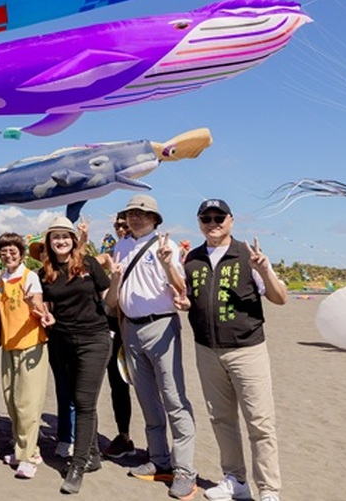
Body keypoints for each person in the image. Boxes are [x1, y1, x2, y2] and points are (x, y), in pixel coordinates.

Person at [174, 200, 286, 501]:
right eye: (206, 218)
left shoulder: (248, 255)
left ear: (231, 221)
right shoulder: (192, 259)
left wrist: (265, 270)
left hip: (247, 350)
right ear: (199, 222)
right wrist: (185, 305)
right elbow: (188, 299)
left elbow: (280, 297)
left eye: (218, 217)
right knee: (222, 419)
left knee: (260, 423)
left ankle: (269, 491)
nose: (213, 223)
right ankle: (235, 480)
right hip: (207, 350)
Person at [111, 195, 197, 500]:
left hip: (161, 325)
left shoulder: (165, 246)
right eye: (132, 213)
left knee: (174, 398)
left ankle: (185, 470)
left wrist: (166, 264)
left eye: (142, 213)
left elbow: (181, 287)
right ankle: (159, 460)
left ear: (155, 219)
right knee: (147, 398)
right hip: (130, 329)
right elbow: (116, 289)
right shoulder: (121, 246)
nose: (136, 218)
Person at [38, 216, 115, 494]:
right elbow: (45, 306)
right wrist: (45, 314)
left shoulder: (90, 265)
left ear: (73, 240)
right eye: (56, 236)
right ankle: (92, 454)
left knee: (84, 401)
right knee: (74, 397)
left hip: (94, 339)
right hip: (61, 341)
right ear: (49, 241)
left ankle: (77, 464)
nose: (61, 241)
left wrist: (116, 280)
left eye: (66, 236)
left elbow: (109, 301)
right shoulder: (43, 272)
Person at [0, 232, 51, 480]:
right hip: (10, 344)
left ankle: (28, 456)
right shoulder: (2, 278)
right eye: (4, 251)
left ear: (21, 254)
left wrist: (34, 305)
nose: (8, 255)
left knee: (27, 403)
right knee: (11, 398)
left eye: (13, 251)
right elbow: (1, 311)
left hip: (31, 344)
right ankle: (28, 448)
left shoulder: (29, 277)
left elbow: (40, 307)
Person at [99, 215, 136, 459]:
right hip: (113, 323)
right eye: (118, 225)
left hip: (136, 324)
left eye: (126, 225)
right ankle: (123, 436)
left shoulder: (144, 248)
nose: (121, 229)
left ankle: (158, 446)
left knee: (149, 386)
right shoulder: (111, 251)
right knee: (118, 384)